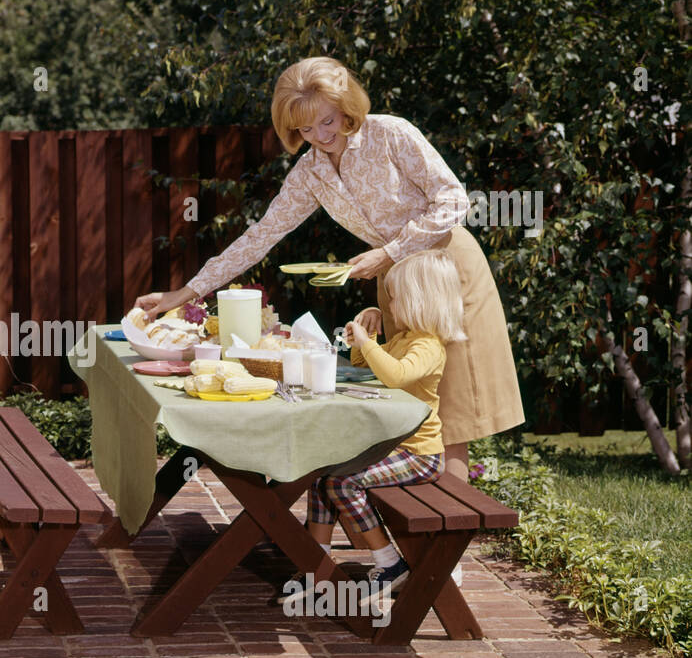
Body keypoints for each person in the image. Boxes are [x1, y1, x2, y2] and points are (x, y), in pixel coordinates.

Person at [136, 56, 524, 476]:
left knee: (454, 411)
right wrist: (185, 293)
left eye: (326, 121)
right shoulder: (310, 173)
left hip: (445, 272)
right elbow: (260, 236)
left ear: (345, 107)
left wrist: (389, 253)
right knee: (414, 404)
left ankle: (452, 521)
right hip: (396, 283)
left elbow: (454, 201)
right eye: (304, 129)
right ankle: (414, 521)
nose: (319, 136)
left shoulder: (391, 134)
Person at [302, 250, 465, 594]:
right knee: (320, 475)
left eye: (396, 296)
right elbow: (366, 364)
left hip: (419, 456)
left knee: (342, 483)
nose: (390, 303)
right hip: (395, 447)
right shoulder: (406, 339)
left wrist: (367, 344)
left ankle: (390, 563)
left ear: (419, 301)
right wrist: (365, 335)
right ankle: (314, 562)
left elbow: (395, 375)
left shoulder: (428, 346)